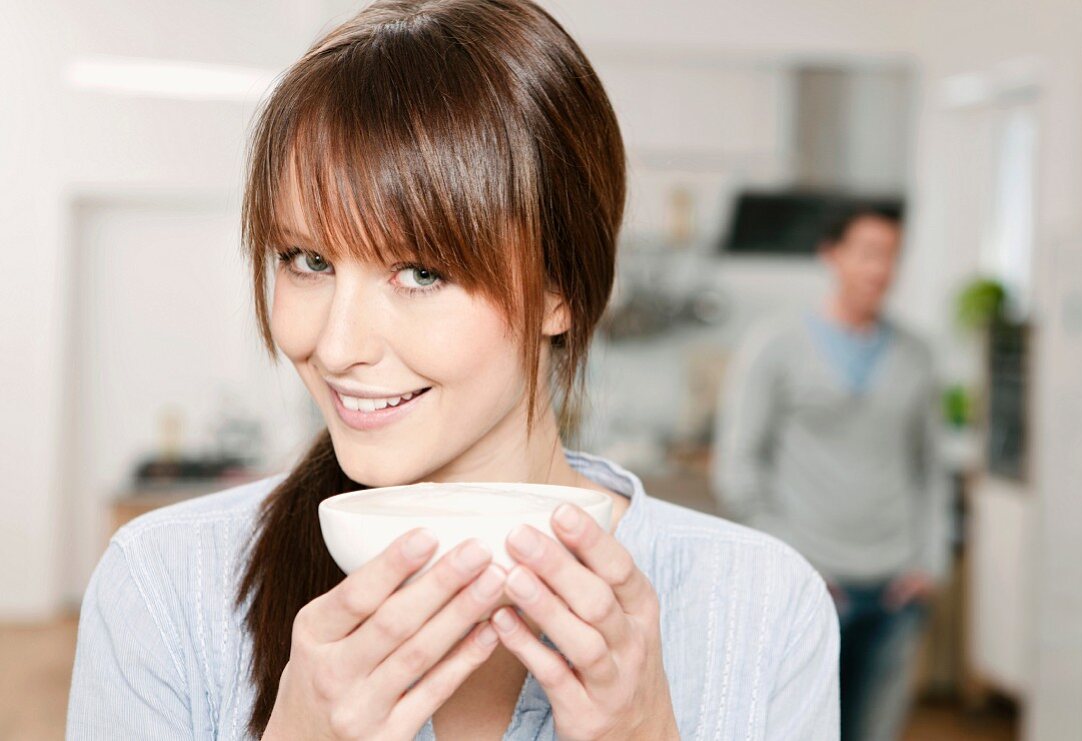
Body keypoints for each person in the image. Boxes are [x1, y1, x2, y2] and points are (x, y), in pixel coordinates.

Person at [65, 1, 839, 739]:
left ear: (560, 289)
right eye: (307, 260)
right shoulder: (164, 584)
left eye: (421, 273)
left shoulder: (763, 606)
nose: (336, 346)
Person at [710, 204, 950, 741]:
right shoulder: (776, 345)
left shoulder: (917, 355)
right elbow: (738, 468)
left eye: (890, 256)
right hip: (813, 583)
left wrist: (928, 562)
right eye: (867, 253)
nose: (880, 269)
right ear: (831, 256)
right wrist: (797, 564)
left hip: (897, 588)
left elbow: (932, 469)